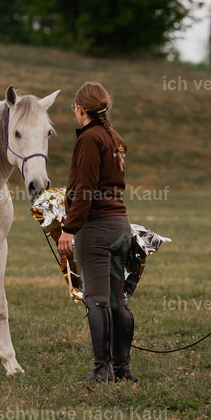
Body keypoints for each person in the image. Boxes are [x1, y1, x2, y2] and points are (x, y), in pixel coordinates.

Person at [57, 83, 134, 382]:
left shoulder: (89, 139)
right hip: (120, 228)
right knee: (117, 301)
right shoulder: (115, 138)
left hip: (97, 231)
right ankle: (122, 368)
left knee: (97, 300)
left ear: (80, 109)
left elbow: (85, 190)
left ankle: (102, 370)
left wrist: (69, 229)